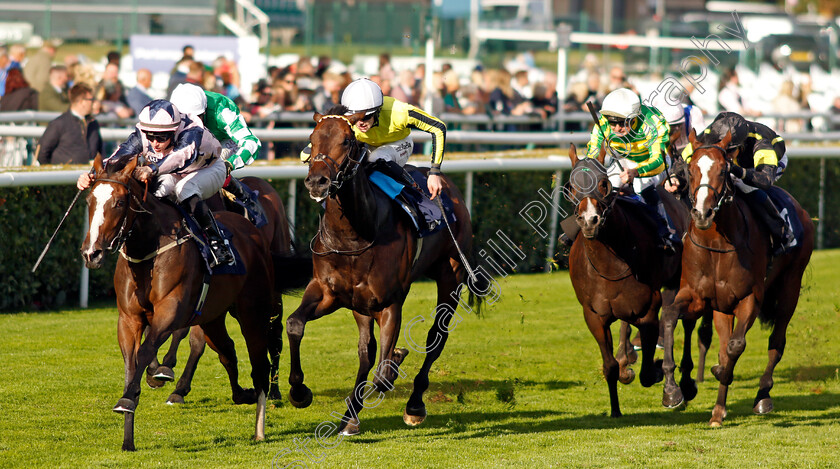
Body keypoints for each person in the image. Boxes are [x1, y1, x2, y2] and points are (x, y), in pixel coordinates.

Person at [76, 99, 233, 266]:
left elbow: (181, 155)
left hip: (207, 169)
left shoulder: (191, 129)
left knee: (184, 190)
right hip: (173, 171)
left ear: (174, 131)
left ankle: (217, 243)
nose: (154, 143)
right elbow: (121, 155)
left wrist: (152, 169)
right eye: (150, 136)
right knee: (154, 195)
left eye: (161, 137)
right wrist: (93, 175)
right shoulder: (143, 133)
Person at [562, 87, 679, 252]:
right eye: (612, 122)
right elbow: (593, 157)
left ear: (635, 118)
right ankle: (576, 226)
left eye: (622, 122)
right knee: (599, 186)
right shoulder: (602, 122)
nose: (616, 128)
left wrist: (636, 172)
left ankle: (666, 231)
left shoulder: (653, 123)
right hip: (624, 161)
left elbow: (658, 160)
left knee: (641, 185)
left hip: (654, 163)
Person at [300, 77, 447, 201]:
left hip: (398, 143)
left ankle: (414, 196)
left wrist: (434, 173)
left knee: (377, 157)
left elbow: (439, 127)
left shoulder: (400, 112)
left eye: (366, 116)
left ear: (377, 111)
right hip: (366, 144)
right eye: (356, 118)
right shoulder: (347, 121)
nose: (361, 123)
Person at [675, 112, 795, 256]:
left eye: (730, 150)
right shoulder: (709, 134)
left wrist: (737, 170)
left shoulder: (761, 143)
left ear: (742, 145)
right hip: (739, 161)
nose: (726, 154)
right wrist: (676, 176)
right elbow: (685, 159)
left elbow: (765, 179)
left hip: (768, 164)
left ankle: (781, 230)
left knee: (744, 185)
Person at [169, 82, 264, 223]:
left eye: (197, 118)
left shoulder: (222, 110)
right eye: (186, 120)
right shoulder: (168, 111)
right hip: (196, 144)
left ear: (205, 111)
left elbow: (252, 142)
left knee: (215, 164)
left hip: (223, 142)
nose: (192, 125)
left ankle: (242, 196)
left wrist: (229, 164)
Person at [36, 83, 102, 165]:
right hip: (63, 176)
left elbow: (100, 152)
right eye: (91, 100)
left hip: (89, 175)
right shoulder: (59, 123)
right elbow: (42, 152)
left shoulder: (93, 123)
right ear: (81, 101)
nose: (94, 103)